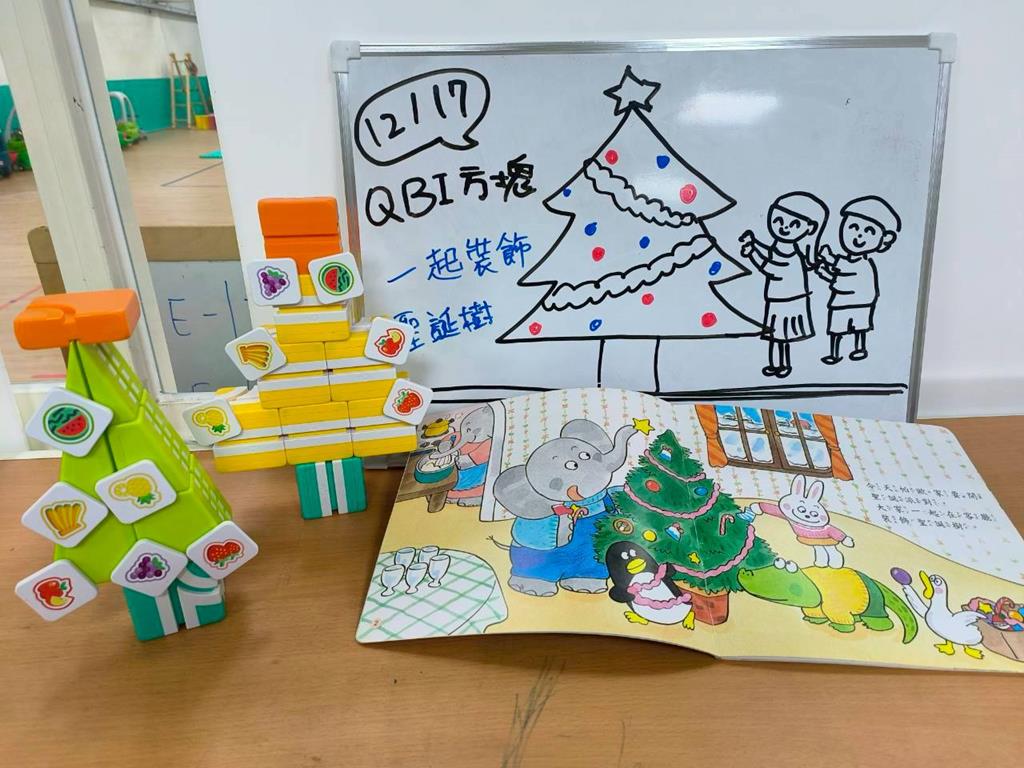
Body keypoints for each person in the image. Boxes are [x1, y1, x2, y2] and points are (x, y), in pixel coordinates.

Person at [739, 192, 828, 378]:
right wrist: (754, 244)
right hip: (777, 300)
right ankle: (774, 364)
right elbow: (770, 254)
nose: (784, 227)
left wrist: (752, 253)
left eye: (794, 224)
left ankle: (784, 365)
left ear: (809, 228)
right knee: (774, 337)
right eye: (778, 220)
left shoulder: (792, 255)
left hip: (789, 302)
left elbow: (772, 269)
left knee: (783, 337)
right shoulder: (780, 247)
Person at [814, 196, 901, 364]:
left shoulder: (863, 264)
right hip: (841, 303)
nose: (859, 235)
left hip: (860, 303)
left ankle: (859, 349)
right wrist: (823, 271)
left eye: (869, 231)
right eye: (853, 227)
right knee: (836, 330)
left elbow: (841, 270)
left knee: (859, 329)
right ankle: (835, 354)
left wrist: (827, 257)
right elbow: (837, 279)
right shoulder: (847, 262)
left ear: (884, 240)